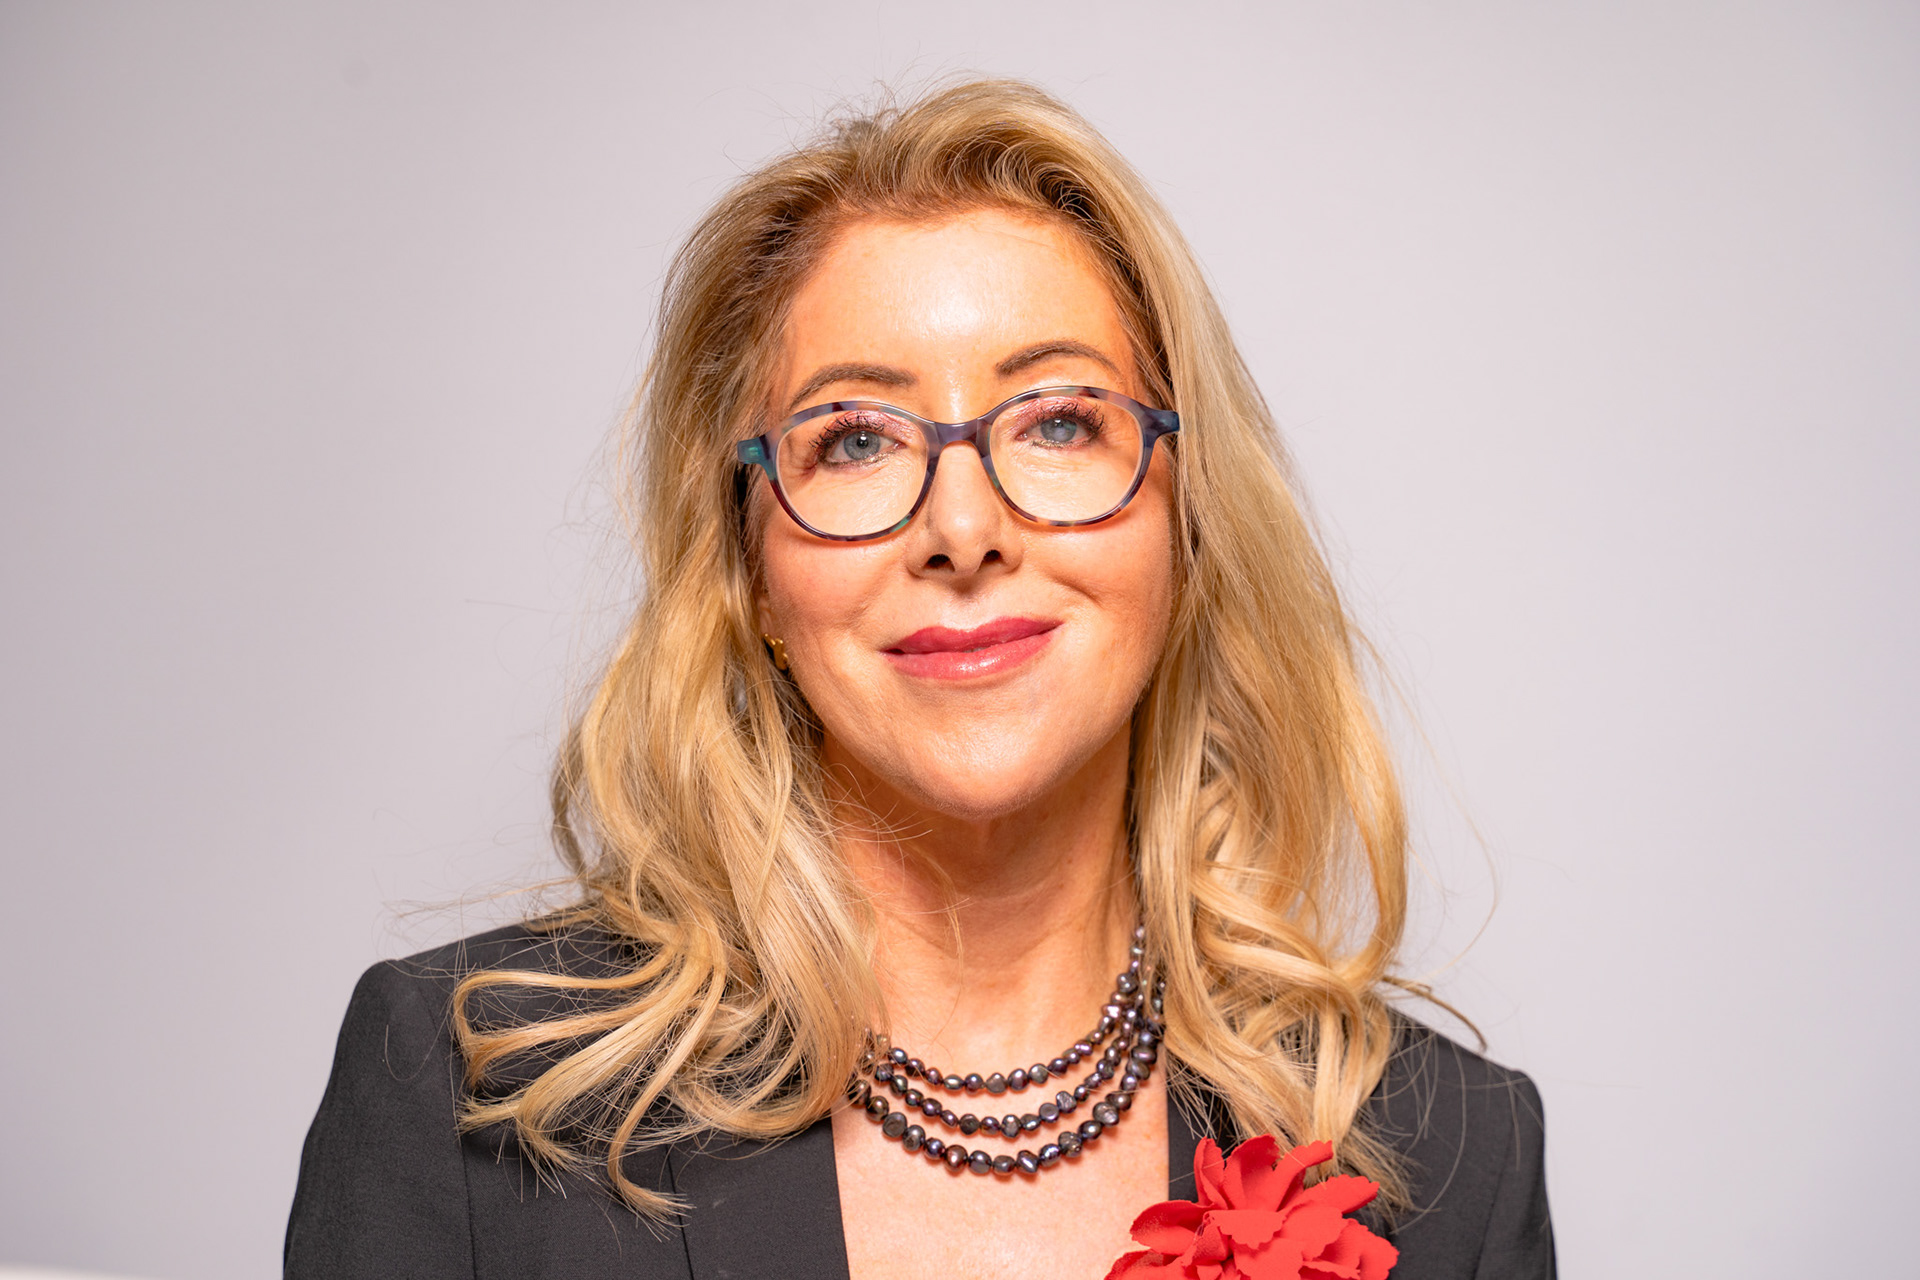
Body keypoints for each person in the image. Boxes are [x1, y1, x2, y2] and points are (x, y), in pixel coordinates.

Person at [286, 79, 1554, 1280]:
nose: (963, 527)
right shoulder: (463, 1095)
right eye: (855, 439)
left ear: (1188, 525)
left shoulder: (1453, 1158)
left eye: (1058, 419)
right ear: (748, 569)